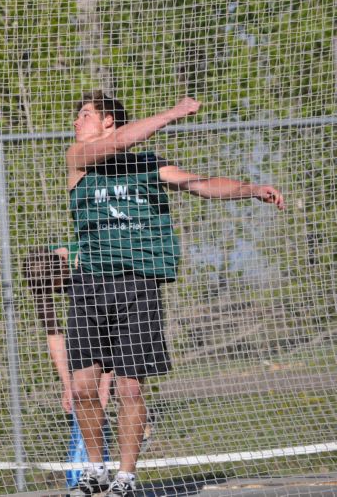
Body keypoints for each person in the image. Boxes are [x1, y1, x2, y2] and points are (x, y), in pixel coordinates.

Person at [63, 92, 285, 496]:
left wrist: (250, 188)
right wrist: (174, 112)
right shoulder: (77, 159)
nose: (76, 122)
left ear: (109, 119)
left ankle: (126, 477)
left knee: (130, 388)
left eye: (85, 115)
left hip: (136, 284)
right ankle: (95, 470)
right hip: (88, 284)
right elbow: (115, 145)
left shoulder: (149, 166)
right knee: (82, 388)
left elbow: (200, 185)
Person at [21, 246, 113, 489]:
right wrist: (68, 385)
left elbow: (110, 333)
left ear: (62, 269)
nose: (50, 292)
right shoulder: (39, 274)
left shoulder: (90, 265)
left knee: (111, 396)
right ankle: (83, 480)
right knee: (83, 401)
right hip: (90, 339)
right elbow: (54, 334)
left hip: (124, 320)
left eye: (53, 286)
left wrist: (103, 385)